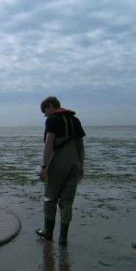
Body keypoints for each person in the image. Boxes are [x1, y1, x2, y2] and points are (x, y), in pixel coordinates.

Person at [36, 96, 85, 246]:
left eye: (45, 112)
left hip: (58, 164)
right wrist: (81, 166)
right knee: (67, 202)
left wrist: (44, 168)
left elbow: (49, 143)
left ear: (50, 106)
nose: (46, 115)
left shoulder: (52, 120)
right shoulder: (75, 120)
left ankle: (48, 232)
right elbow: (80, 146)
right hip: (74, 164)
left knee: (50, 199)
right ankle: (63, 238)